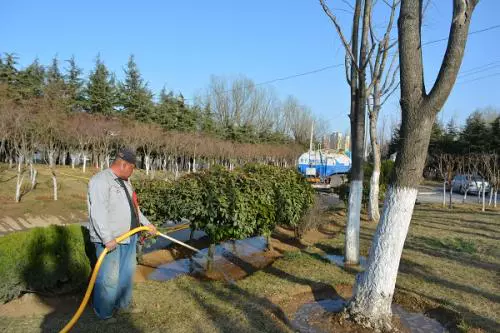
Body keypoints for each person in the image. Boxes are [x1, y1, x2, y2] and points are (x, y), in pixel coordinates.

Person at [87, 147, 156, 321]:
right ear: (124, 165)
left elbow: (134, 209)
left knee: (126, 275)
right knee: (109, 278)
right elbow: (98, 212)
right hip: (112, 241)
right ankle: (103, 312)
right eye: (133, 168)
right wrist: (107, 238)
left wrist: (147, 224)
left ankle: (123, 305)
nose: (133, 172)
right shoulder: (100, 181)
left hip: (129, 237)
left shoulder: (125, 181)